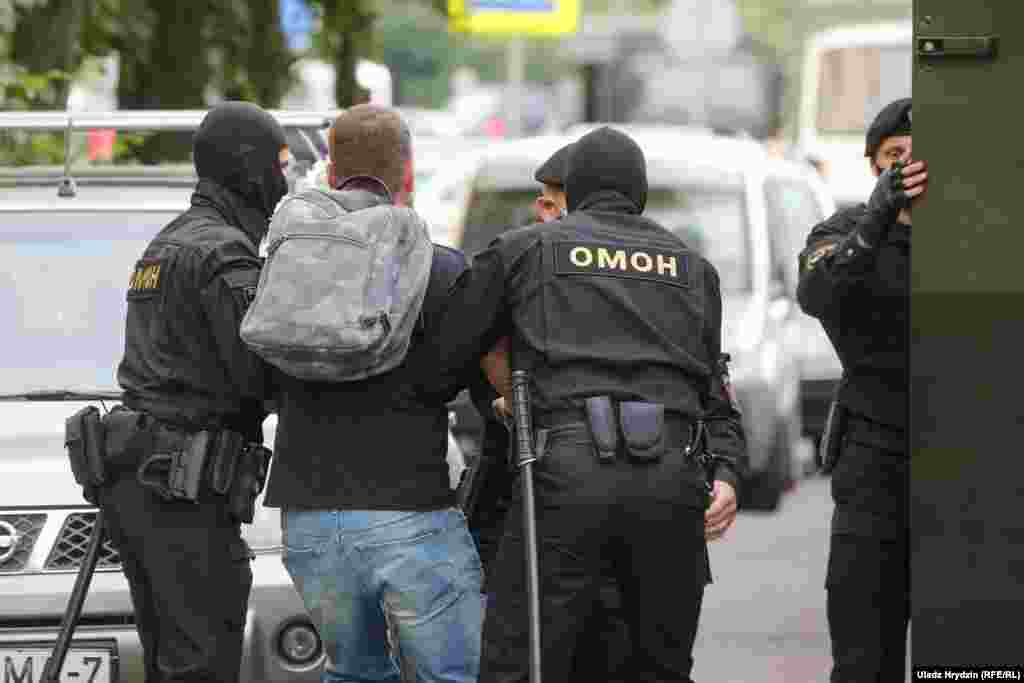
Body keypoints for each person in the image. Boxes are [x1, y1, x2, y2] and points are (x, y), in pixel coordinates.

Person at [426, 126, 748, 683]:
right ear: (640, 192)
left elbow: (442, 360)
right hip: (670, 483)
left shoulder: (525, 249)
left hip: (563, 477)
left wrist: (501, 386)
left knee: (521, 664)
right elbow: (715, 394)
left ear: (572, 190)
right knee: (657, 667)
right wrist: (727, 472)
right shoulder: (694, 269)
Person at [262, 104, 488, 683]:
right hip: (407, 513)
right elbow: (461, 379)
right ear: (407, 176)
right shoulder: (440, 269)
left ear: (331, 175)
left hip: (308, 520)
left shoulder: (286, 264)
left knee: (354, 673)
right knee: (453, 677)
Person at [102, 101, 289, 682]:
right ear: (248, 169)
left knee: (172, 662)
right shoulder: (222, 252)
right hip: (183, 493)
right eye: (279, 165)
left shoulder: (164, 245)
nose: (284, 182)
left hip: (143, 485)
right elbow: (257, 371)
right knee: (203, 664)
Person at [796, 97, 926, 682]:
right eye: (893, 156)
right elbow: (819, 292)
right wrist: (879, 216)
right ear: (874, 167)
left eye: (919, 157)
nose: (907, 167)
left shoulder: (983, 235)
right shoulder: (845, 231)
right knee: (863, 652)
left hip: (977, 460)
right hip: (876, 456)